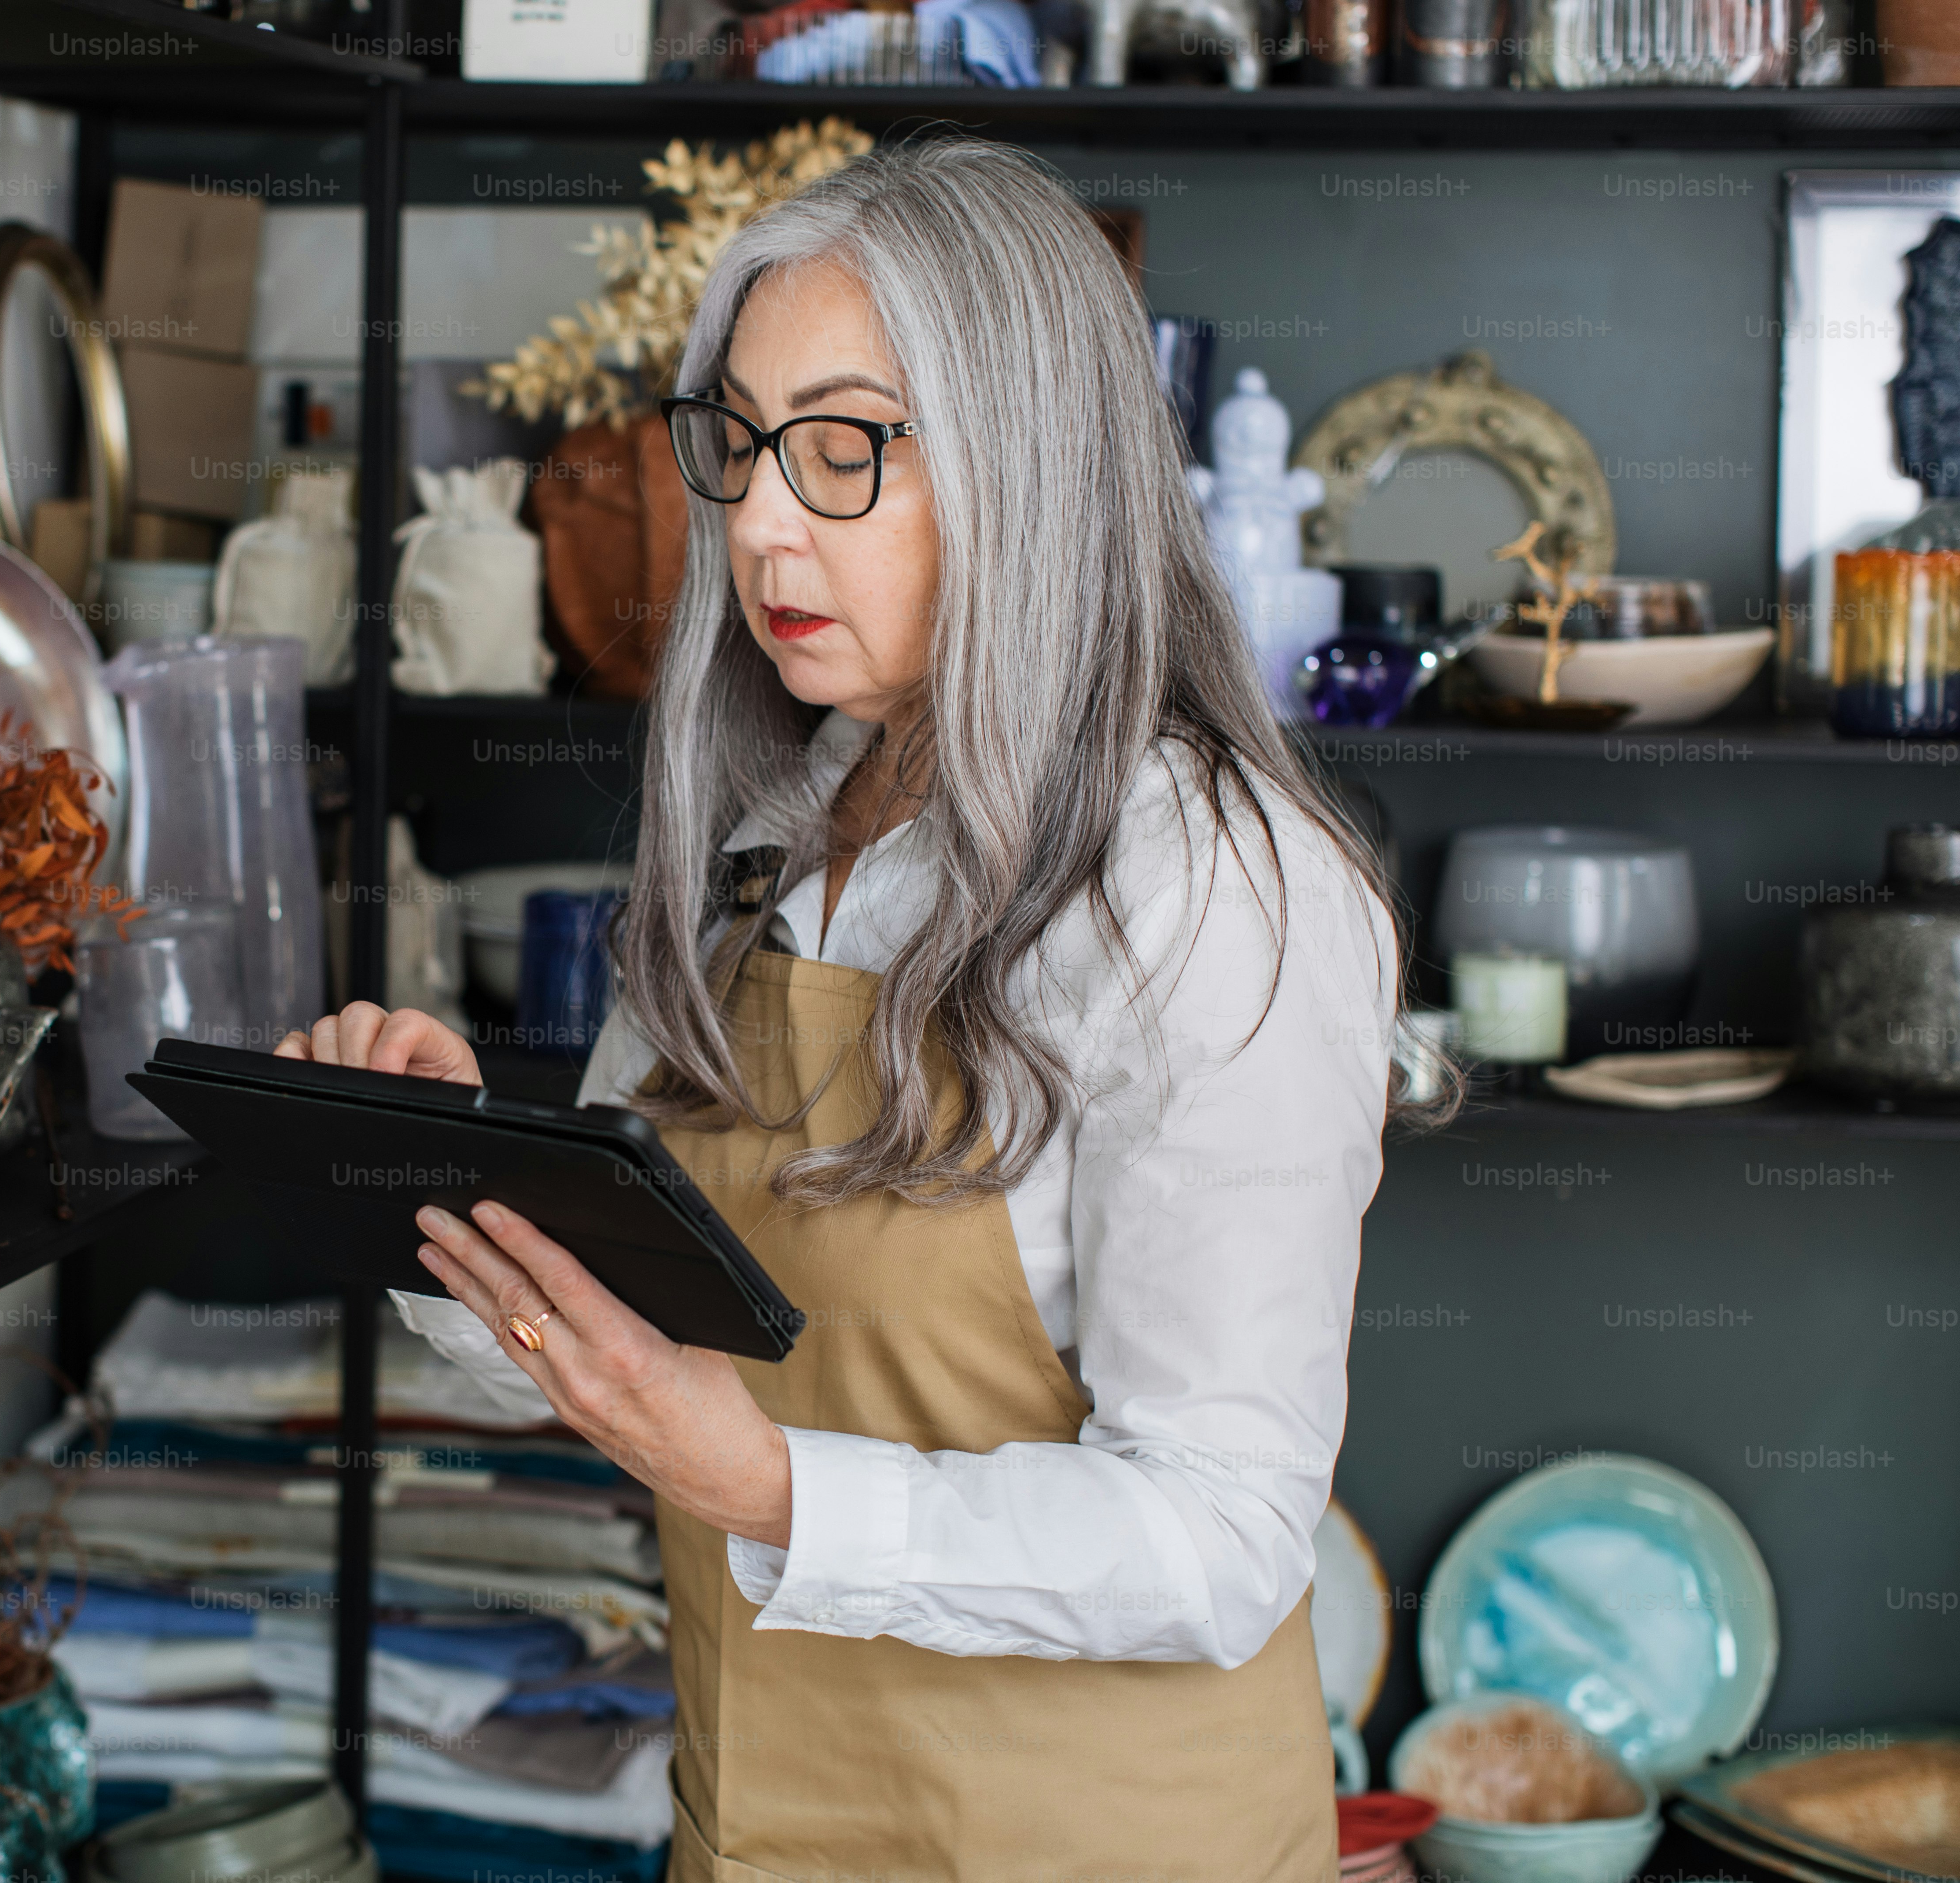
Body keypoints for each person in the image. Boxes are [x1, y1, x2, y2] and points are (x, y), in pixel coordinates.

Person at [278, 136, 1413, 1882]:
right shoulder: (766, 834)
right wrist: (441, 1178)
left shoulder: (1218, 891)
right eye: (739, 445)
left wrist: (776, 1489)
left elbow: (1221, 1536)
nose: (759, 520)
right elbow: (617, 1351)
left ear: (1032, 463)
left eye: (845, 448)